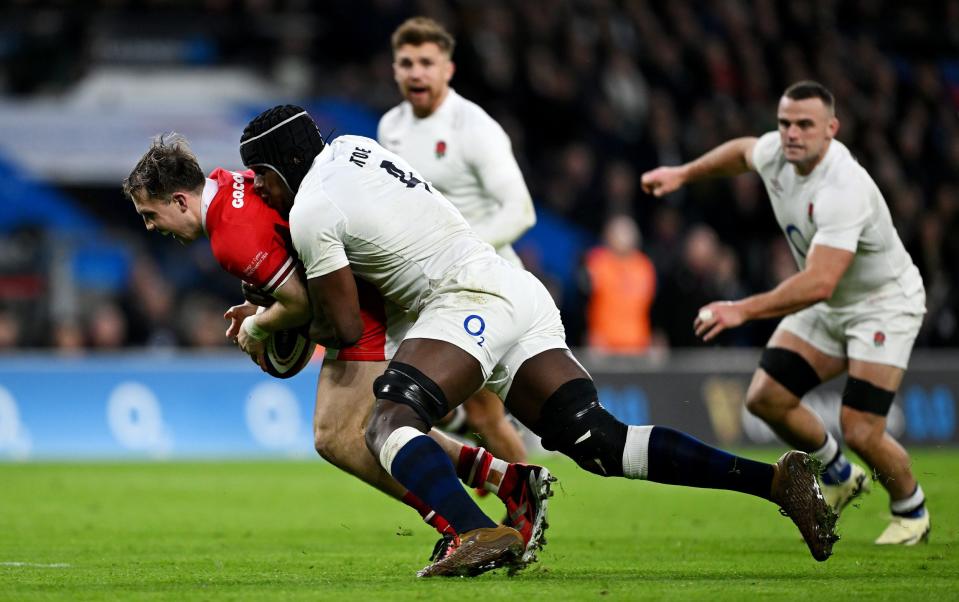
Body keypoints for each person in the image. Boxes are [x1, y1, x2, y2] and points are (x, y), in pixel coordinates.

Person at [237, 104, 838, 578]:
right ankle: (776, 482)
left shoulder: (311, 209)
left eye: (260, 183)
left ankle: (475, 530)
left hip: (466, 298)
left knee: (387, 422)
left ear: (271, 172)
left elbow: (344, 329)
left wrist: (270, 322)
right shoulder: (354, 148)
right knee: (601, 440)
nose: (260, 195)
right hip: (512, 287)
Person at [121, 134, 554, 565]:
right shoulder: (230, 182)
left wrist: (257, 326)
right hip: (364, 289)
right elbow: (290, 260)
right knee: (372, 429)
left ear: (179, 201)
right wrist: (258, 302)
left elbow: (301, 302)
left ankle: (465, 526)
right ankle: (507, 481)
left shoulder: (227, 238)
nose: (150, 227)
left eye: (149, 214)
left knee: (338, 436)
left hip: (360, 307)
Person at [640, 80, 930, 545]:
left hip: (882, 305)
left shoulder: (843, 187)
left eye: (805, 125)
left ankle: (911, 510)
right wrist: (683, 174)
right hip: (830, 302)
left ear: (831, 129)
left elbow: (819, 281)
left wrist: (742, 309)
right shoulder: (778, 151)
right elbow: (742, 152)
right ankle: (839, 475)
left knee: (860, 427)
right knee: (766, 397)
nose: (792, 133)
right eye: (785, 123)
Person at [378, 17, 534, 464]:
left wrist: (459, 250)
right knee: (457, 406)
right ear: (394, 70)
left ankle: (521, 489)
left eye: (427, 62)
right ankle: (491, 456)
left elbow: (520, 210)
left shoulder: (474, 128)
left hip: (487, 284)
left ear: (448, 69)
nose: (416, 72)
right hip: (428, 287)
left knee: (478, 411)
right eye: (406, 62)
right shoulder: (391, 127)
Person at [583, 215, 657, 353]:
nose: (623, 237)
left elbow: (654, 305)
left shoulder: (644, 266)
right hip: (604, 345)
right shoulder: (596, 263)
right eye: (618, 232)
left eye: (627, 232)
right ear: (608, 235)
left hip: (639, 344)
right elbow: (583, 300)